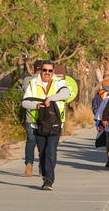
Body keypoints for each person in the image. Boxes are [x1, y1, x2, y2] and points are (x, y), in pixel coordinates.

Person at [21, 60, 71, 190]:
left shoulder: (59, 82)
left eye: (50, 71)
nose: (47, 73)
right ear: (40, 71)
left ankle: (49, 180)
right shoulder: (32, 84)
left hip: (55, 124)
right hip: (37, 124)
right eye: (45, 70)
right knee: (42, 153)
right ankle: (45, 175)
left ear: (53, 72)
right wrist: (36, 106)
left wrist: (51, 98)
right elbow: (25, 103)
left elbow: (66, 94)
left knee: (51, 150)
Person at [22, 59, 43, 177]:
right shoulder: (47, 82)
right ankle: (41, 167)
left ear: (34, 69)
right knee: (42, 143)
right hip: (44, 118)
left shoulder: (27, 80)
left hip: (30, 116)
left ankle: (29, 165)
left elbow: (25, 94)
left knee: (30, 141)